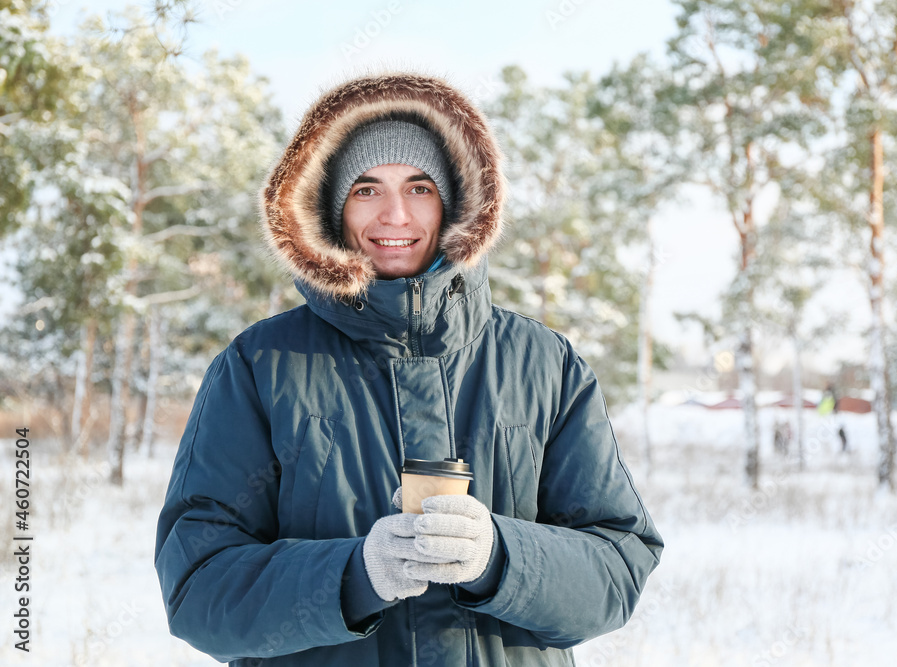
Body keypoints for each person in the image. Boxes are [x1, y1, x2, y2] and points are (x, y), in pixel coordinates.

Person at [154, 71, 662, 666]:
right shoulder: (258, 367)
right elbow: (198, 587)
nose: (395, 215)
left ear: (457, 202)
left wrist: (501, 557)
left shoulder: (545, 364)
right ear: (329, 207)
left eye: (419, 187)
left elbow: (618, 565)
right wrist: (352, 575)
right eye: (366, 189)